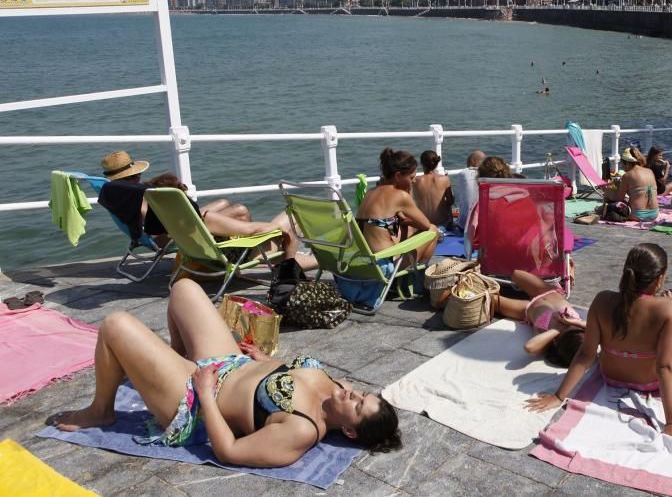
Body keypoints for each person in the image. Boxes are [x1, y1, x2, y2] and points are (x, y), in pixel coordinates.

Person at [49, 277, 401, 464]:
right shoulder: (336, 387)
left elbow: (229, 451)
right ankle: (168, 362)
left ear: (351, 432)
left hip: (198, 398)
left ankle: (101, 411)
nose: (352, 393)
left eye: (357, 406)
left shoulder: (302, 430)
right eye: (361, 394)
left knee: (115, 324)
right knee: (184, 288)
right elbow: (292, 376)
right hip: (229, 363)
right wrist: (266, 363)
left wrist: (204, 392)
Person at [525, 243, 672, 440]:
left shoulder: (602, 300)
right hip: (649, 382)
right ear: (660, 279)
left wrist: (559, 396)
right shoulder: (668, 309)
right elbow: (665, 366)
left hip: (610, 376)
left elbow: (586, 354)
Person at [96, 150, 299, 253]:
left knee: (222, 202)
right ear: (134, 175)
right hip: (171, 235)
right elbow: (152, 219)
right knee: (240, 210)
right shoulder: (141, 196)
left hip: (168, 227)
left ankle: (243, 246)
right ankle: (251, 252)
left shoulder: (114, 191)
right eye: (136, 174)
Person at [357, 148, 439, 267]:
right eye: (411, 177)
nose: (414, 181)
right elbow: (425, 225)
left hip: (365, 262)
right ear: (398, 176)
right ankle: (419, 275)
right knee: (433, 230)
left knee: (403, 228)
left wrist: (403, 220)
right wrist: (408, 195)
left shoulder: (370, 192)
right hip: (385, 265)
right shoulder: (400, 196)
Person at [492, 269, 585, 366]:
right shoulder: (581, 326)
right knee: (516, 274)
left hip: (527, 308)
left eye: (568, 330)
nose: (568, 327)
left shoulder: (549, 340)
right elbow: (597, 330)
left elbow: (529, 347)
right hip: (546, 291)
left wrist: (557, 329)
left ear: (559, 342)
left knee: (491, 300)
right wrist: (575, 323)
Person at [600, 147, 660, 222]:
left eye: (623, 163)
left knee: (609, 192)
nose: (623, 167)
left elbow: (619, 199)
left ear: (627, 163)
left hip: (638, 215)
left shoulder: (628, 175)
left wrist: (610, 188)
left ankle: (602, 210)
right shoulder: (650, 171)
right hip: (654, 213)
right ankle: (602, 209)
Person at [411, 150, 454, 229]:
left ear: (421, 163)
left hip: (424, 225)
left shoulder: (415, 181)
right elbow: (451, 201)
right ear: (437, 163)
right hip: (442, 223)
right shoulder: (445, 179)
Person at [453, 150, 486, 232]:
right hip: (483, 226)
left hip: (465, 226)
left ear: (472, 161)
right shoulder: (488, 176)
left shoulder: (462, 174)